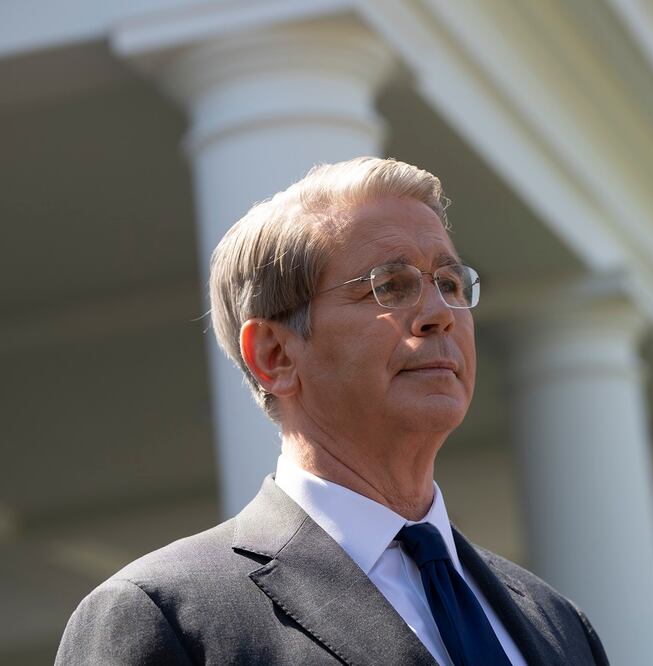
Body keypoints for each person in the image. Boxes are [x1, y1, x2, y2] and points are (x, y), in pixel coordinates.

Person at [56, 157, 609, 665]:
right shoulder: (164, 617)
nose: (439, 313)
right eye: (389, 287)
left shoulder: (559, 623)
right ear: (274, 355)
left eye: (448, 282)